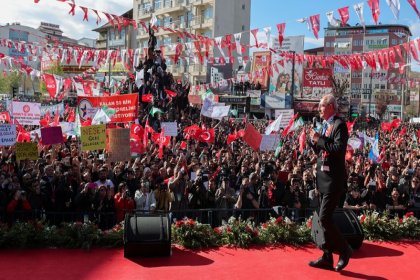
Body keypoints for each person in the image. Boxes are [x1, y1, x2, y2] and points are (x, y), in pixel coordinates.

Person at [308, 94, 353, 272]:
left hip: (334, 179)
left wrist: (319, 139)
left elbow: (337, 149)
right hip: (322, 178)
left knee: (325, 218)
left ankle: (345, 250)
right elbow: (322, 149)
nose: (319, 108)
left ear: (331, 107)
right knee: (321, 219)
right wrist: (314, 141)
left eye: (321, 106)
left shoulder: (339, 125)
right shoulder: (326, 125)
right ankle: (327, 256)